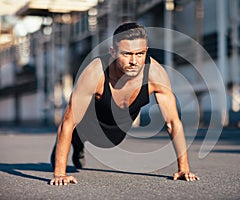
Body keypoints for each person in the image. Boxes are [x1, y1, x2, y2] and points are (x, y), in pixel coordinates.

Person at [50, 22, 199, 186]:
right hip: (91, 119)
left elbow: (172, 122)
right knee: (77, 128)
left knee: (110, 141)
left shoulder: (155, 74)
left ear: (146, 51)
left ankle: (77, 144)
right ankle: (75, 145)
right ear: (113, 52)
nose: (134, 61)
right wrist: (60, 173)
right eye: (127, 54)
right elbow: (68, 121)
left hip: (118, 128)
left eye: (140, 53)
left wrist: (183, 168)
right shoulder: (95, 73)